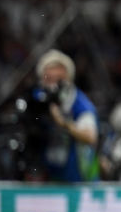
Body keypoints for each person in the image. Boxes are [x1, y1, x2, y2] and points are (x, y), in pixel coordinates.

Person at [31, 49, 99, 182]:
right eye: (49, 79)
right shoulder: (37, 100)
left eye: (59, 80)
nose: (54, 86)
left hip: (78, 181)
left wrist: (64, 123)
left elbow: (91, 137)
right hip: (46, 178)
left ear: (69, 79)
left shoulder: (79, 103)